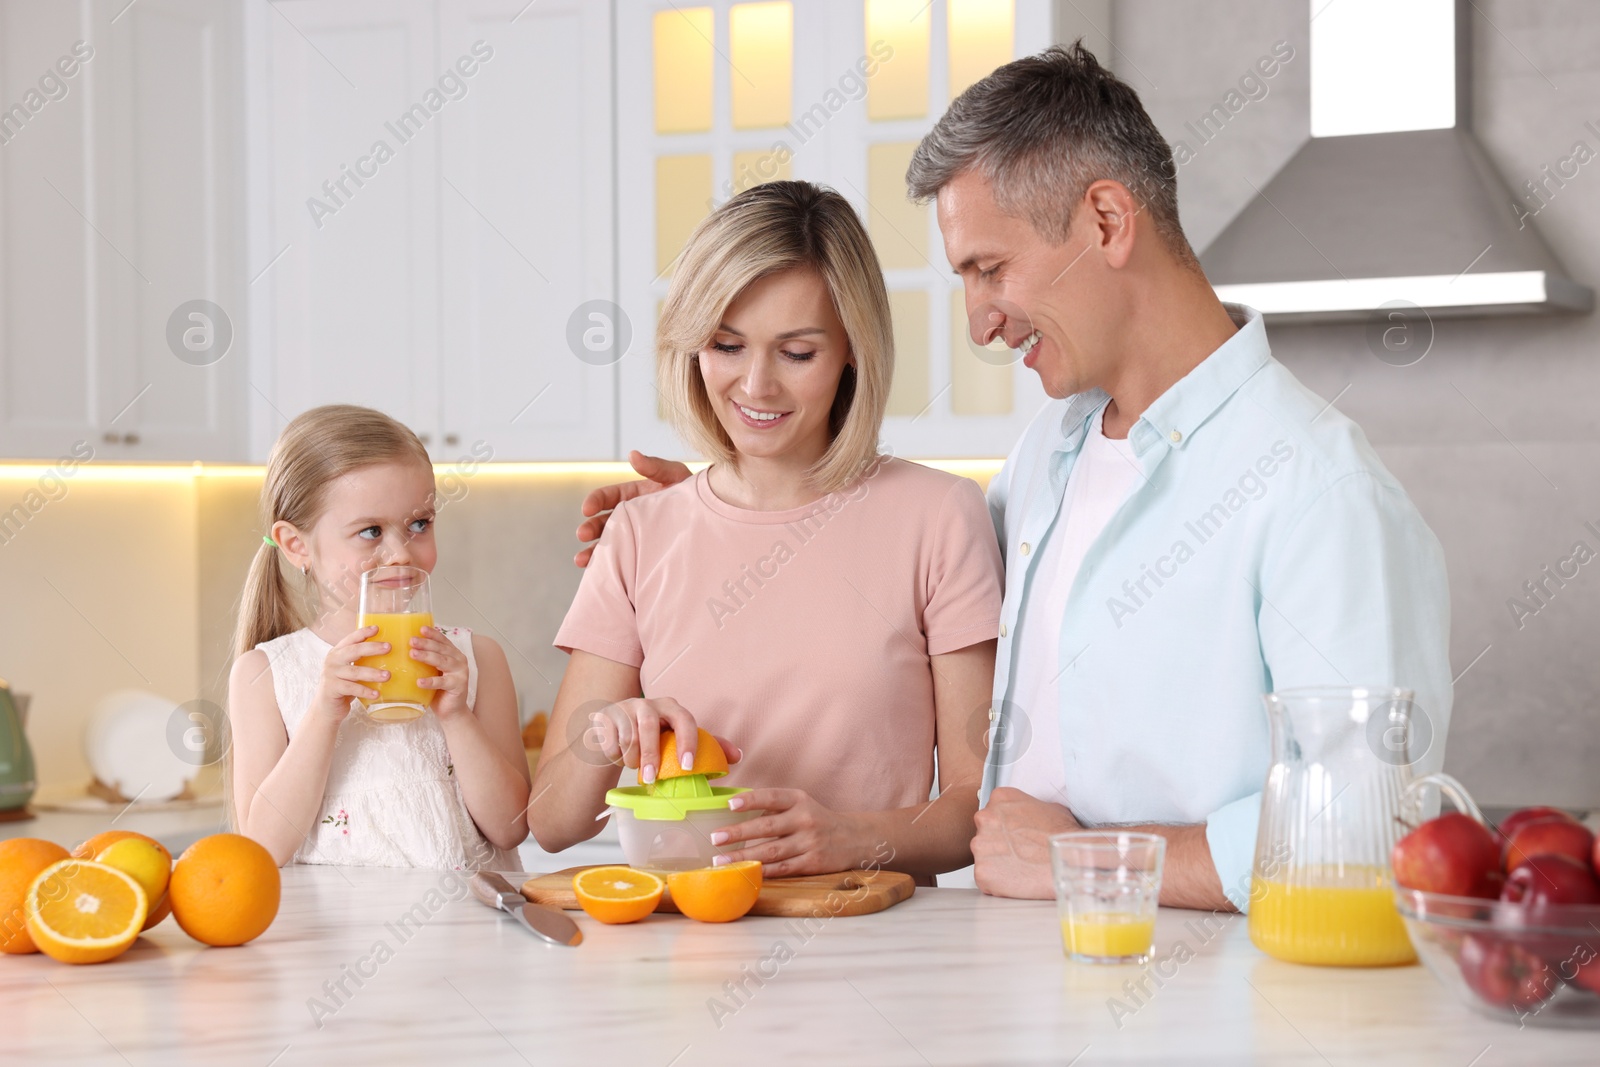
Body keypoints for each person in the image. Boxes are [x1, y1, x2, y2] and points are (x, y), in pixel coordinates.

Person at [576, 45, 1452, 911]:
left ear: (1108, 222)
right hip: (1016, 992)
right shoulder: (1049, 455)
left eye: (989, 270)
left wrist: (1090, 857)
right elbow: (891, 576)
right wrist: (713, 512)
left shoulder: (1318, 491)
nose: (980, 323)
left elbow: (1368, 823)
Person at [531, 181, 1001, 881]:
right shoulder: (638, 532)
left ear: (852, 350)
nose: (756, 386)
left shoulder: (940, 517)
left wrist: (851, 836)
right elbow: (550, 823)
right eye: (726, 345)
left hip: (872, 945)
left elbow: (979, 806)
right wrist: (611, 732)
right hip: (686, 953)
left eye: (797, 352)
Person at [228, 405, 530, 868]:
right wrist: (325, 713)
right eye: (370, 531)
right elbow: (263, 850)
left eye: (419, 524)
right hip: (339, 937)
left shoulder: (477, 659)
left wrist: (455, 715)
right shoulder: (265, 675)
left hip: (469, 934)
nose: (400, 554)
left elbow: (512, 827)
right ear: (296, 545)